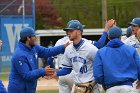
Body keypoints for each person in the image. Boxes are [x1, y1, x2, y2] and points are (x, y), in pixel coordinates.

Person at [46, 20, 117, 93]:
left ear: (79, 32)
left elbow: (101, 66)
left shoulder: (90, 48)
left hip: (92, 86)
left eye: (71, 31)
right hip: (78, 86)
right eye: (67, 31)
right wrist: (56, 73)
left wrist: (94, 83)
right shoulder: (68, 49)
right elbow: (68, 69)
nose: (68, 33)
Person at [8, 27, 69, 93]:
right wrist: (43, 71)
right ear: (28, 38)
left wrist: (63, 47)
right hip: (18, 90)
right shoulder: (19, 54)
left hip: (29, 88)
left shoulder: (34, 48)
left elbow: (48, 51)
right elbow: (27, 75)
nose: (36, 38)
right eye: (34, 36)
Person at [93, 26, 140, 93]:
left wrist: (103, 83)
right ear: (120, 37)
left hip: (111, 88)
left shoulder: (101, 52)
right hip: (128, 88)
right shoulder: (131, 50)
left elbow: (98, 75)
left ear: (108, 37)